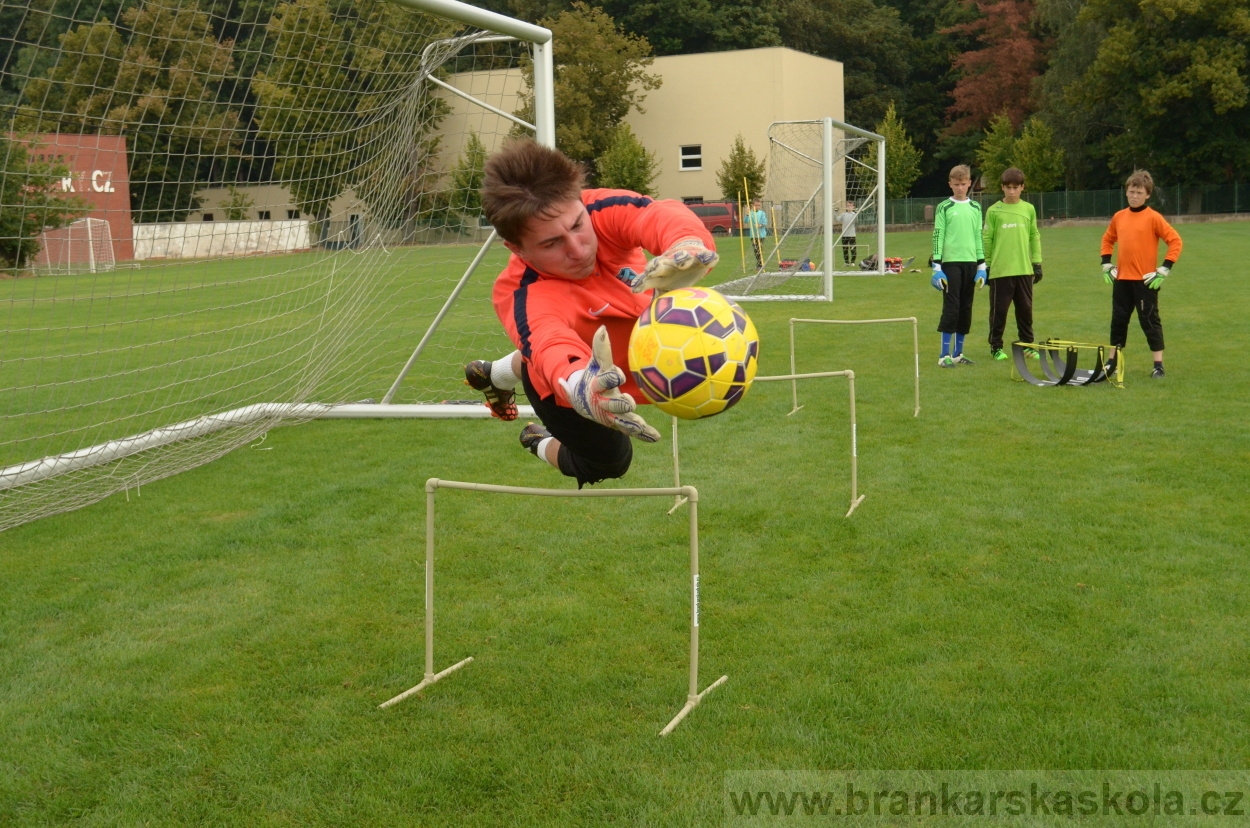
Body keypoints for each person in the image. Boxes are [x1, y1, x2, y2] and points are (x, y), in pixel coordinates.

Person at [463, 140, 718, 486]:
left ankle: (497, 373)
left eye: (577, 225)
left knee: (540, 348)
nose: (577, 248)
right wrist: (582, 387)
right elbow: (550, 341)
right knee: (611, 462)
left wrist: (686, 243)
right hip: (570, 381)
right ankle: (537, 441)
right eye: (551, 243)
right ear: (517, 248)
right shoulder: (523, 293)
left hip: (624, 342)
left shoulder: (598, 209)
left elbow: (655, 215)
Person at [1100, 169, 1182, 378]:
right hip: (1122, 281)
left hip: (1145, 282)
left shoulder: (1154, 218)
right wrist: (1106, 264)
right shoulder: (1119, 217)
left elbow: (1175, 241)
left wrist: (1164, 268)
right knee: (1118, 321)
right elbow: (1108, 239)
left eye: (1139, 192)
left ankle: (1158, 366)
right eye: (1131, 191)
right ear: (1126, 192)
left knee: (1149, 321)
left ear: (1147, 195)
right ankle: (1112, 363)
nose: (1134, 196)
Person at [982, 167, 1043, 361]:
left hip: (1024, 269)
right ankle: (996, 347)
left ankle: (1028, 345)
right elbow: (987, 239)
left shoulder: (1028, 209)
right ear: (1002, 187)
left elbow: (1034, 236)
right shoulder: (993, 211)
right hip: (1000, 271)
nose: (1011, 191)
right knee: (999, 312)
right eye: (1008, 187)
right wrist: (987, 266)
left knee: (1025, 311)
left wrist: (1037, 263)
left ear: (1022, 188)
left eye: (1015, 187)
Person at [930, 164, 986, 367]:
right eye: (956, 184)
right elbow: (938, 234)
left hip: (971, 264)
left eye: (963, 184)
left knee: (966, 308)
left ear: (969, 183)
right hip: (950, 264)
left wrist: (982, 265)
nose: (960, 188)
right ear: (950, 184)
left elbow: (978, 237)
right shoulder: (944, 207)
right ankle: (943, 355)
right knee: (952, 307)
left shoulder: (976, 208)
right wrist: (937, 266)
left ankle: (958, 353)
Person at [743, 197, 768, 269]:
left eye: (758, 205)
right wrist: (747, 214)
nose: (757, 207)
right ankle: (759, 263)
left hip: (761, 235)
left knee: (759, 249)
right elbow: (745, 221)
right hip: (753, 235)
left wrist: (760, 225)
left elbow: (765, 222)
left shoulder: (762, 213)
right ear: (752, 205)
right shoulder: (750, 213)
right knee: (755, 250)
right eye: (756, 205)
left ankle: (760, 265)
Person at [835, 200, 858, 265]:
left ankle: (852, 262)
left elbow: (856, 221)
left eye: (850, 206)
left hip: (852, 235)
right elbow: (837, 219)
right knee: (845, 250)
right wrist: (836, 211)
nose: (849, 207)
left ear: (853, 207)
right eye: (848, 206)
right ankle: (846, 262)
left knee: (853, 249)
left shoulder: (854, 214)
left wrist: (856, 213)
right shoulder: (844, 214)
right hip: (844, 235)